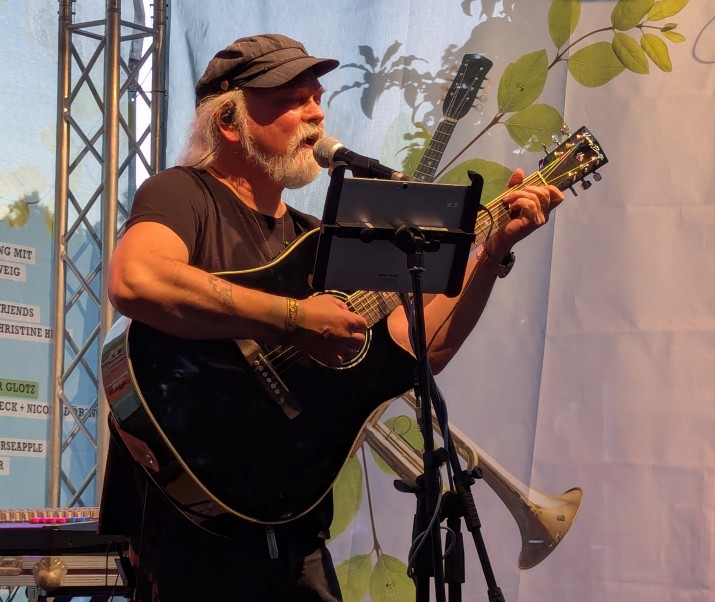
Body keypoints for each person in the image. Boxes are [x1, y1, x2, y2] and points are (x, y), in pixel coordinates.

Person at [98, 33, 565, 602]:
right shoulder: (184, 194)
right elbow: (137, 279)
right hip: (183, 544)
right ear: (230, 121)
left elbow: (419, 348)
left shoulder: (314, 241)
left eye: (317, 97)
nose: (316, 112)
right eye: (293, 99)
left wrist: (491, 253)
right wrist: (293, 317)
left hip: (292, 530)